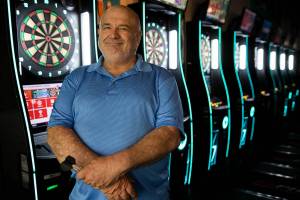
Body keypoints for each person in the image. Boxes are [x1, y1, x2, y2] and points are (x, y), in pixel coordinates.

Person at [47, 5, 183, 200]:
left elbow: (170, 135)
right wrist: (110, 181)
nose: (114, 34)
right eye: (107, 27)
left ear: (138, 36)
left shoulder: (161, 79)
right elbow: (56, 131)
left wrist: (114, 166)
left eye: (123, 28)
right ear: (98, 33)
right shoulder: (76, 78)